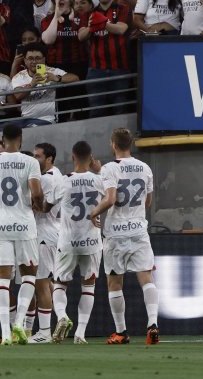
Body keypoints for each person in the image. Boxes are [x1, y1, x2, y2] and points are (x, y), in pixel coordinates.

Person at [89, 128, 159, 345]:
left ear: (113, 144)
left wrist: (93, 213)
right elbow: (147, 202)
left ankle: (121, 332)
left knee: (114, 283)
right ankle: (153, 324)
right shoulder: (145, 168)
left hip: (116, 233)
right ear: (131, 144)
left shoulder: (110, 168)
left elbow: (110, 199)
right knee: (146, 279)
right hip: (138, 230)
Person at [0, 124, 44, 345]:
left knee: (2, 279)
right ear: (20, 138)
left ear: (2, 138)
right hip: (24, 224)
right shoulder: (30, 162)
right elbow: (36, 193)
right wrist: (38, 204)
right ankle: (19, 322)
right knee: (28, 275)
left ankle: (6, 333)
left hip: (0, 225)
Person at [51, 140, 103, 344]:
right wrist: (98, 173)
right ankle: (80, 333)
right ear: (91, 158)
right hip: (91, 240)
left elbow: (48, 205)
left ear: (73, 157)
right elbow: (112, 199)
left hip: (68, 240)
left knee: (60, 283)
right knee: (88, 286)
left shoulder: (63, 181)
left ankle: (62, 315)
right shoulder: (100, 180)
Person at [28, 142, 62, 344]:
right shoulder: (57, 174)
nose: (35, 159)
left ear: (49, 159)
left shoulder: (45, 179)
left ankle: (44, 332)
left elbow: (41, 208)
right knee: (48, 283)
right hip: (54, 232)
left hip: (43, 233)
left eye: (38, 156)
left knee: (40, 285)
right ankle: (62, 318)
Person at [78, 0, 132, 118]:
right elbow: (81, 36)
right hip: (96, 70)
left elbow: (121, 29)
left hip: (120, 68)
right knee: (96, 111)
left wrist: (102, 23)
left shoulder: (123, 9)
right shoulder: (89, 13)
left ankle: (121, 137)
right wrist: (91, 27)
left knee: (121, 109)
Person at [41, 0, 90, 121]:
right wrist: (56, 15)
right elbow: (48, 40)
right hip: (56, 65)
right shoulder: (47, 20)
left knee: (79, 101)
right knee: (61, 103)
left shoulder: (82, 17)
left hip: (78, 64)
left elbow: (82, 37)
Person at [11, 43, 79, 128]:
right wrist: (32, 84)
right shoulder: (19, 76)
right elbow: (17, 95)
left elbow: (75, 78)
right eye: (30, 58)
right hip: (24, 119)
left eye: (38, 58)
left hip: (47, 119)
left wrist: (57, 78)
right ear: (25, 60)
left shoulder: (52, 71)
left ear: (44, 59)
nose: (34, 62)